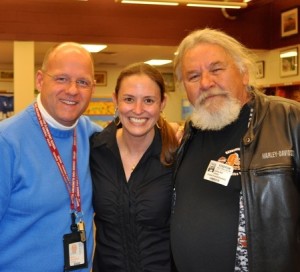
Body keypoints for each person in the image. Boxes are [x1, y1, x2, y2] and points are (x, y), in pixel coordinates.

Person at [170, 28, 300, 272]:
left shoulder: (289, 120)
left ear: (244, 73)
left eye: (217, 69)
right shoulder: (188, 134)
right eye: (193, 76)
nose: (206, 83)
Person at [0, 42, 102, 271]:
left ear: (93, 89)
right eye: (61, 78)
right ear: (39, 80)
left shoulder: (95, 138)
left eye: (83, 82)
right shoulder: (7, 142)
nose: (73, 90)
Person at [90, 62, 179, 272]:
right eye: (129, 99)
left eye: (148, 100)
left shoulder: (177, 154)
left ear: (162, 102)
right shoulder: (95, 150)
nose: (138, 110)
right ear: (115, 99)